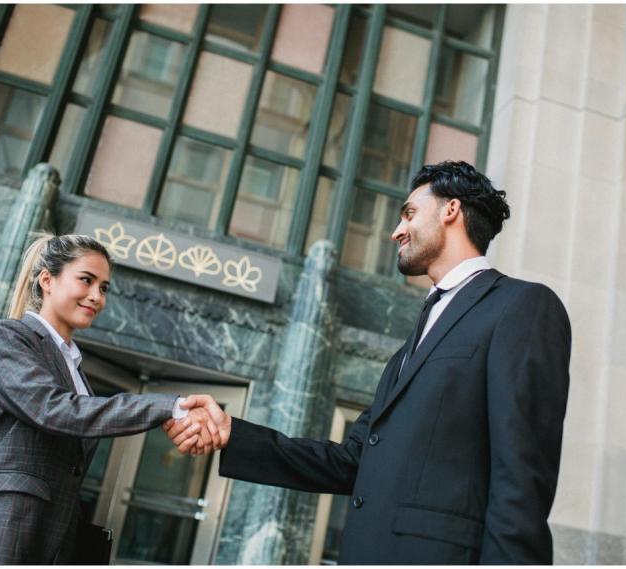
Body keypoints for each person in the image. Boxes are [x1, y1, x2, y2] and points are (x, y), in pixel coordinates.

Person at [167, 161, 572, 564]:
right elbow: (351, 461)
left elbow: (520, 477)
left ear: (451, 210)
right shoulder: (411, 346)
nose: (396, 230)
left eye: (409, 213)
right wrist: (231, 433)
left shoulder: (522, 307)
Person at [0, 234, 218, 565]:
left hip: (44, 543)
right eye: (87, 280)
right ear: (47, 280)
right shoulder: (10, 337)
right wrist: (169, 407)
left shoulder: (76, 372)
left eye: (104, 287)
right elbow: (53, 409)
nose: (97, 296)